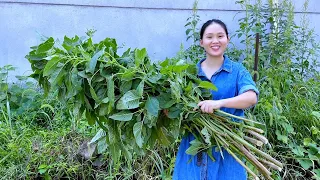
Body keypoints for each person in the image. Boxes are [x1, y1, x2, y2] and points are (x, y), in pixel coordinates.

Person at [173, 19, 259, 180]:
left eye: (220, 36)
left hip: (228, 144)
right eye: (209, 37)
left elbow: (251, 97)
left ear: (228, 39)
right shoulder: (189, 73)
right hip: (194, 146)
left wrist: (219, 103)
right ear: (201, 42)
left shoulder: (237, 71)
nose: (215, 41)